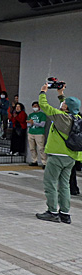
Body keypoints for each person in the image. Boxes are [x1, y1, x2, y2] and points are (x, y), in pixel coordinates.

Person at [35, 83, 82, 224]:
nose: (62, 104)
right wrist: (61, 94)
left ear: (66, 107)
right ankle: (65, 214)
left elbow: (44, 106)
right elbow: (67, 106)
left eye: (64, 103)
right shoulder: (77, 118)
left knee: (50, 183)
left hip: (57, 156)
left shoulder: (61, 117)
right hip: (71, 156)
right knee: (64, 185)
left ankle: (52, 212)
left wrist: (43, 92)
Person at [27, 101, 47, 167]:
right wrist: (29, 123)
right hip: (31, 132)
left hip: (39, 133)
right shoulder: (30, 115)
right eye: (33, 106)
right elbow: (28, 125)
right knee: (32, 148)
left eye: (36, 106)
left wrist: (33, 123)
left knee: (41, 148)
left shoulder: (42, 115)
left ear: (39, 107)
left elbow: (42, 124)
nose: (34, 108)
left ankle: (44, 162)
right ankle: (34, 160)